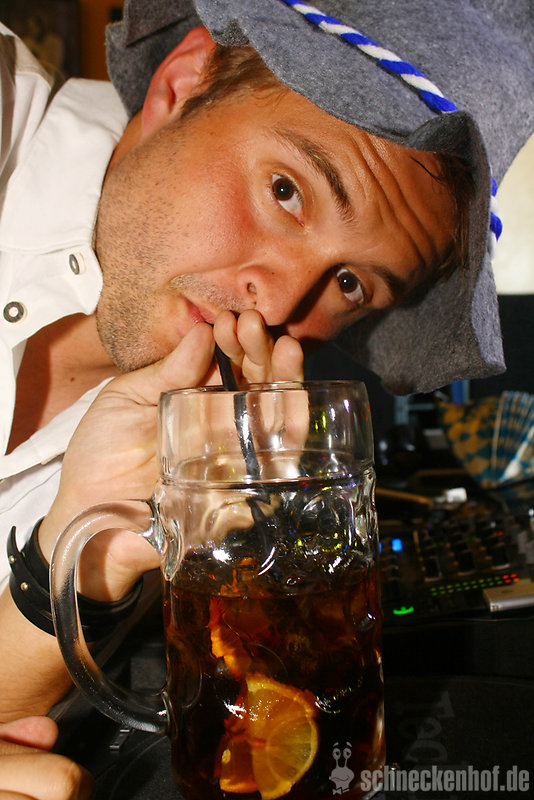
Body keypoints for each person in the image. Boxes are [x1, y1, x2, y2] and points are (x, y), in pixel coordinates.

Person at [0, 0, 532, 792]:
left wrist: (86, 551)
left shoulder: (186, 451)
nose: (282, 303)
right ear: (184, 80)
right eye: (287, 190)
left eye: (349, 283)